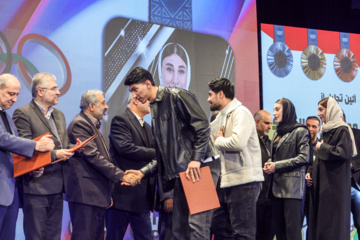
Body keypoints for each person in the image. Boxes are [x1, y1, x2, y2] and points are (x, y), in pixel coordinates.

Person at [124, 67, 220, 239]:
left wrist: (196, 160)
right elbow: (163, 154)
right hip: (182, 173)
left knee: (197, 227)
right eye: (131, 91)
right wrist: (142, 172)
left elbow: (203, 127)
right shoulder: (155, 109)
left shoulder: (177, 95)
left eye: (135, 89)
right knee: (179, 229)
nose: (134, 95)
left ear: (148, 84)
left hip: (201, 167)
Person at [13, 72, 81, 240]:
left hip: (58, 186)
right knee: (35, 236)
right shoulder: (23, 113)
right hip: (36, 186)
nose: (58, 92)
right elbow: (24, 148)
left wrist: (76, 148)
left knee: (53, 236)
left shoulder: (59, 115)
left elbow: (62, 145)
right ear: (40, 91)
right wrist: (55, 154)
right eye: (54, 89)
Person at [66, 89, 142, 240]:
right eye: (103, 103)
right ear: (91, 106)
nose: (106, 106)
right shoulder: (80, 124)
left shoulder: (93, 124)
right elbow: (93, 156)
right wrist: (122, 175)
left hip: (96, 194)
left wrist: (107, 193)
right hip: (85, 194)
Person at [0, 73, 55, 240]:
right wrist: (35, 145)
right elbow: (2, 139)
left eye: (16, 94)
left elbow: (13, 155)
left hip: (11, 192)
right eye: (11, 94)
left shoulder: (7, 117)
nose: (15, 99)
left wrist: (29, 170)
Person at [207, 78, 263, 240]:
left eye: (211, 95)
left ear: (221, 94)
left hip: (244, 183)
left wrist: (219, 140)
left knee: (244, 233)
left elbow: (237, 143)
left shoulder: (241, 112)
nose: (208, 99)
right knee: (220, 230)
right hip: (224, 183)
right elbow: (206, 137)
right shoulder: (220, 117)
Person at [106, 95, 156, 240]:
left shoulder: (147, 126)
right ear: (135, 100)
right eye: (148, 100)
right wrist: (157, 153)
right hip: (122, 195)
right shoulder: (120, 120)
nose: (150, 103)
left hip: (142, 198)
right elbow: (125, 148)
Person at [307, 98, 356, 240]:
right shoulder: (327, 130)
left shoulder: (342, 129)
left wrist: (322, 147)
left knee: (333, 227)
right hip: (324, 187)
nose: (318, 113)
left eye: (321, 110)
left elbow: (343, 152)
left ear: (331, 110)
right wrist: (310, 173)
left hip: (335, 189)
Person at [264, 98, 311, 240]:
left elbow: (304, 158)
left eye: (277, 109)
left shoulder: (300, 131)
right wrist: (269, 163)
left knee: (292, 233)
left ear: (288, 110)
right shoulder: (276, 132)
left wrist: (276, 166)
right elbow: (274, 154)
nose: (274, 113)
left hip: (292, 189)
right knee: (280, 233)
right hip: (275, 189)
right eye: (273, 110)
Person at [254, 110, 274, 240]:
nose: (270, 127)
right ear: (256, 122)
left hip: (270, 200)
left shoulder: (271, 143)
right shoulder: (249, 142)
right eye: (267, 123)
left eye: (271, 124)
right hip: (253, 200)